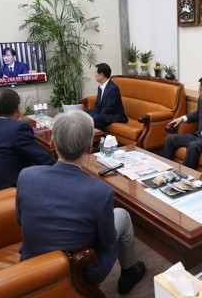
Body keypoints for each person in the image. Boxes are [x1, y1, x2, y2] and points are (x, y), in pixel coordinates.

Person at [16, 111, 145, 295]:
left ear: (52, 142)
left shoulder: (26, 175)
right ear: (89, 149)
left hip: (32, 263)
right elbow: (107, 240)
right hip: (80, 271)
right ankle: (128, 273)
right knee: (122, 215)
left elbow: (20, 219)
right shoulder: (101, 191)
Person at [0, 88, 56, 193]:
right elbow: (43, 159)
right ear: (18, 108)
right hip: (14, 188)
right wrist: (66, 169)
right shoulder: (18, 129)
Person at [86, 63, 128, 131]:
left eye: (96, 72)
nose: (94, 74)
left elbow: (109, 109)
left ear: (102, 75)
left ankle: (100, 138)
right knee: (85, 113)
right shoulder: (100, 87)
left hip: (114, 115)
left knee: (97, 118)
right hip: (104, 113)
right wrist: (91, 116)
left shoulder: (113, 89)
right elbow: (97, 105)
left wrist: (94, 117)